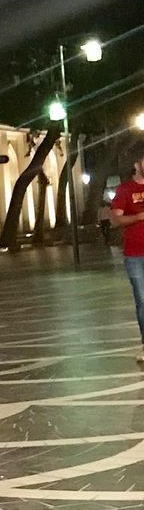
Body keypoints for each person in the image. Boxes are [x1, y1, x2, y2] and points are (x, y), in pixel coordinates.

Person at [109, 147, 144, 363]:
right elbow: (115, 220)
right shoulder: (125, 190)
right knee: (142, 300)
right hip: (135, 254)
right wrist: (138, 217)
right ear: (136, 164)